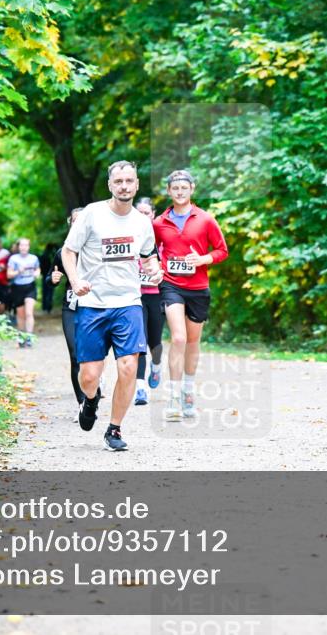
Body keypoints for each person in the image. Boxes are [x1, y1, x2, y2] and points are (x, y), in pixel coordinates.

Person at [61, 160, 163, 451]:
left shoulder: (142, 222)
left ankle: (114, 429)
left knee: (129, 366)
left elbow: (149, 257)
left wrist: (155, 270)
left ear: (137, 184)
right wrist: (75, 280)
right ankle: (91, 399)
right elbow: (68, 251)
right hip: (92, 304)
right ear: (110, 185)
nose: (124, 186)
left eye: (129, 181)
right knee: (89, 376)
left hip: (128, 303)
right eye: (118, 181)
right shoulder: (92, 214)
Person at [153, 170, 228, 418]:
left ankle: (188, 392)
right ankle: (173, 398)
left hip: (198, 288)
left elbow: (222, 250)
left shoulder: (205, 219)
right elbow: (149, 250)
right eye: (175, 188)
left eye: (184, 188)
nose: (180, 192)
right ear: (169, 191)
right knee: (178, 339)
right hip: (171, 285)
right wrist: (156, 267)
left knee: (193, 342)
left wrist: (203, 259)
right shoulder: (159, 223)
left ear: (192, 189)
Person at [48, 209, 87, 404]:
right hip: (70, 307)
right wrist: (53, 279)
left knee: (92, 355)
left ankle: (93, 387)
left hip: (94, 308)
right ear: (70, 223)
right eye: (74, 221)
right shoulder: (62, 253)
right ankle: (82, 403)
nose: (78, 225)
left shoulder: (97, 250)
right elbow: (49, 278)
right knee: (74, 354)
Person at [134, 197, 165, 405]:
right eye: (140, 212)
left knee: (155, 342)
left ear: (153, 214)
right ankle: (140, 388)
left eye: (147, 213)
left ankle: (156, 365)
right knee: (140, 341)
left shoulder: (161, 237)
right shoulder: (129, 235)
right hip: (136, 296)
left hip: (157, 296)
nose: (143, 216)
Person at [8, 238, 41, 347]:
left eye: (26, 245)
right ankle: (22, 337)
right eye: (21, 245)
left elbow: (37, 269)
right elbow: (9, 274)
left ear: (29, 247)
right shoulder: (13, 258)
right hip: (17, 288)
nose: (23, 247)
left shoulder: (34, 258)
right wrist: (18, 271)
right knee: (21, 315)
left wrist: (37, 273)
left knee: (29, 313)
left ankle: (29, 337)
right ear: (18, 247)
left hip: (30, 286)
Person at [39, 243, 57, 314]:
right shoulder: (53, 255)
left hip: (45, 275)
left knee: (45, 291)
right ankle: (48, 307)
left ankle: (45, 307)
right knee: (50, 292)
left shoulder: (44, 255)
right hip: (51, 275)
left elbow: (41, 266)